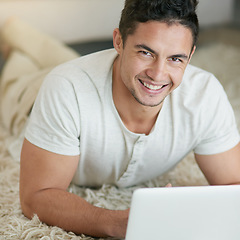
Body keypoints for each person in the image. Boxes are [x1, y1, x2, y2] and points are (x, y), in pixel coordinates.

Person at [20, 0, 240, 238]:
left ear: (191, 54)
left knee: (59, 58)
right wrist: (116, 224)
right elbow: (36, 197)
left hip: (89, 70)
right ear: (118, 41)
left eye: (175, 59)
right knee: (20, 72)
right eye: (146, 53)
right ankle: (17, 37)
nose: (158, 74)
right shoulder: (65, 88)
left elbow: (233, 187)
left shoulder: (205, 95)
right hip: (26, 98)